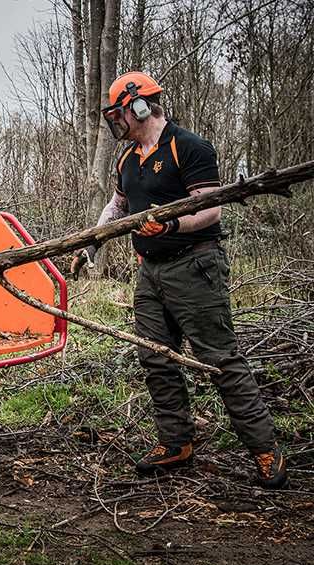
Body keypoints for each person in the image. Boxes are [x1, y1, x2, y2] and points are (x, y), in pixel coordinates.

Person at [71, 71, 288, 489]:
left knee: (219, 359)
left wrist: (172, 228)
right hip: (149, 273)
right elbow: (117, 206)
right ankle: (176, 442)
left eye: (120, 113)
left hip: (195, 266)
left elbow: (210, 209)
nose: (117, 122)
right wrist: (92, 245)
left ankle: (265, 448)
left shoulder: (188, 147)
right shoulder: (128, 157)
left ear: (138, 107)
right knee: (156, 357)